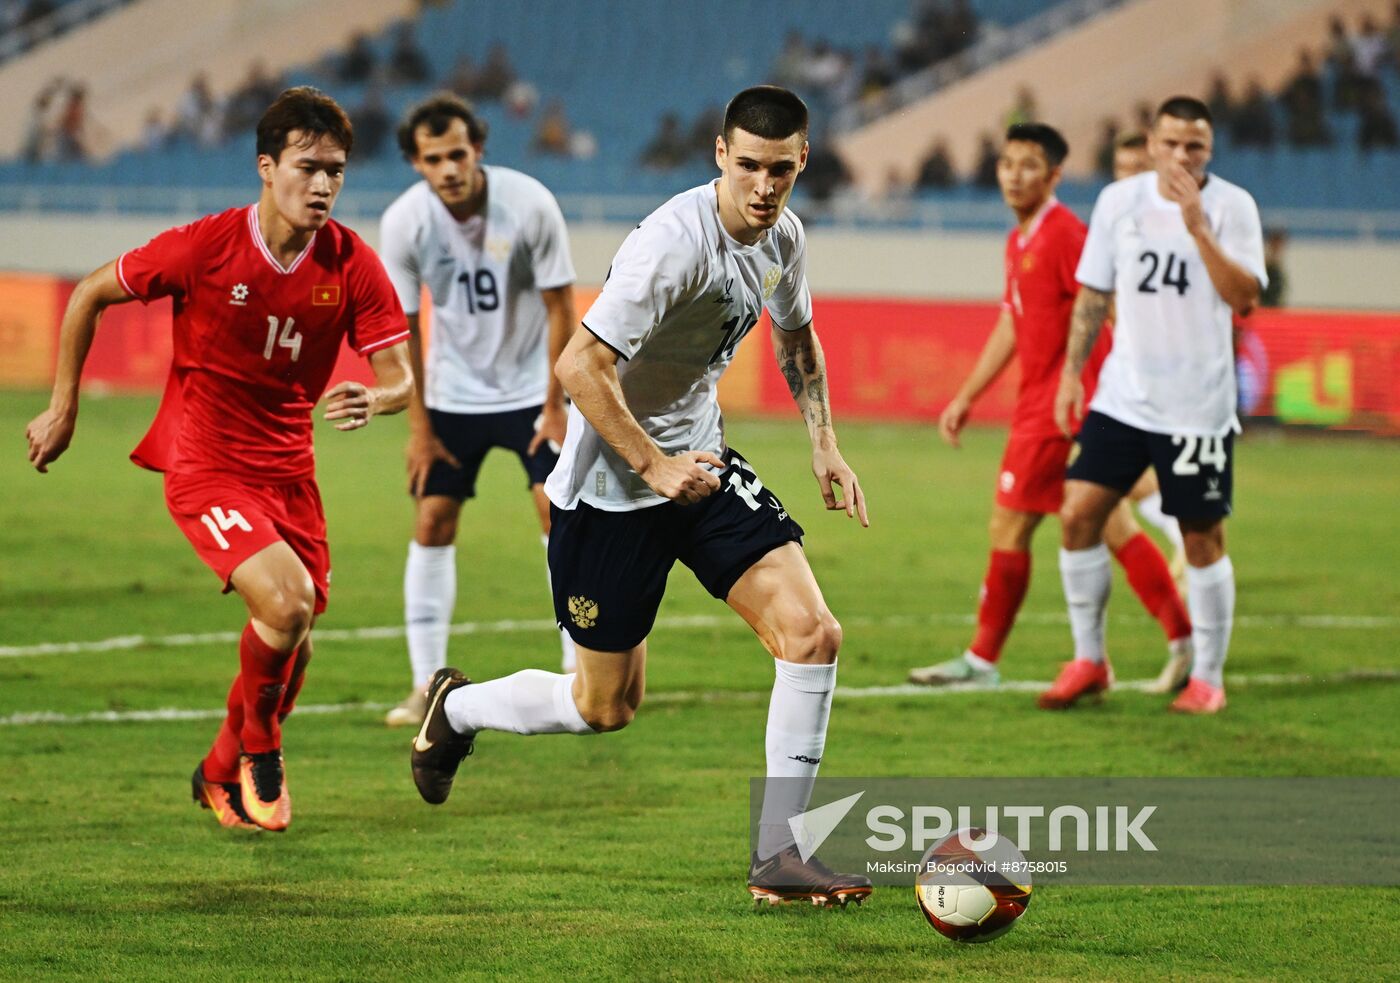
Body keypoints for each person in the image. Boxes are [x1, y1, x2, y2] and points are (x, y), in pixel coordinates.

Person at [408, 85, 873, 907]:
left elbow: (795, 332)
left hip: (704, 465)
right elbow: (579, 367)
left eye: (782, 171)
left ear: (802, 163)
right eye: (750, 168)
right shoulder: (672, 244)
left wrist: (824, 441)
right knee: (604, 707)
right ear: (720, 158)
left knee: (813, 634)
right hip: (610, 491)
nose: (765, 188)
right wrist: (654, 465)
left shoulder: (783, 237)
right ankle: (461, 707)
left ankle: (781, 857)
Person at [24, 87, 412, 828]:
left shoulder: (350, 262)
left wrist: (378, 398)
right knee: (287, 603)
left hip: (291, 473)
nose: (324, 184)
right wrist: (64, 405)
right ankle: (262, 749)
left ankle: (214, 771)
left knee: (293, 647)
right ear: (267, 167)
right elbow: (88, 293)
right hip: (207, 465)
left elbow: (399, 375)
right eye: (308, 167)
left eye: (336, 170)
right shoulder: (205, 246)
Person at [907, 124, 1190, 692]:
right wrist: (967, 395)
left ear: (1055, 175)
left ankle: (983, 660)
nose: (1013, 174)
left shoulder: (1065, 235)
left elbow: (1108, 303)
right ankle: (1182, 642)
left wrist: (1119, 384)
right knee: (1109, 522)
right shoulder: (1021, 241)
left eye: (1029, 165)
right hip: (1052, 402)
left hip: (1063, 407)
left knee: (1010, 522)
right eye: (1007, 163)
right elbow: (1013, 322)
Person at [1051, 96, 1266, 715]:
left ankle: (1208, 677)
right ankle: (1090, 659)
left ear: (1209, 151)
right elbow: (1094, 293)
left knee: (1202, 539)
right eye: (1170, 143)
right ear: (1151, 143)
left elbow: (1245, 298)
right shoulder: (1119, 202)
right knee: (1078, 516)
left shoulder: (1232, 208)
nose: (1180, 156)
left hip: (1196, 408)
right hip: (1123, 399)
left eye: (1194, 146)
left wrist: (1198, 226)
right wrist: (1072, 376)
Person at [378, 93, 579, 728]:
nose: (449, 168)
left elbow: (560, 308)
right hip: (451, 397)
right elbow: (402, 327)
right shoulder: (405, 222)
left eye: (458, 153)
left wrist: (557, 404)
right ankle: (423, 684)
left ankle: (579, 674)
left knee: (558, 515)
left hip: (529, 393)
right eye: (433, 158)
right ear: (416, 161)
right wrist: (418, 426)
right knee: (433, 519)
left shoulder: (529, 205)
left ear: (478, 150)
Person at [1111, 132, 1189, 600]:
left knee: (1112, 483)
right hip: (1126, 372)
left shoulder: (1175, 229)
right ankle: (1184, 543)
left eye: (1138, 168)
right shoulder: (1115, 227)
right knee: (1116, 484)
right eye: (1122, 169)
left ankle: (1188, 551)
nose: (1129, 178)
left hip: (1166, 371)